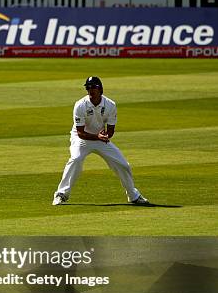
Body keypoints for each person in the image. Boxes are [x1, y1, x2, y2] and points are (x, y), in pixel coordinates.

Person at [53, 76, 149, 206]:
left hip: (100, 138)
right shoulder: (80, 105)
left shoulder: (110, 105)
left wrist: (105, 135)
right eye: (88, 87)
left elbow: (111, 130)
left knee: (123, 164)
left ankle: (133, 196)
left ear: (100, 89)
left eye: (94, 87)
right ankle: (61, 194)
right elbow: (80, 132)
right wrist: (98, 137)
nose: (90, 90)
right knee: (76, 159)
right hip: (81, 139)